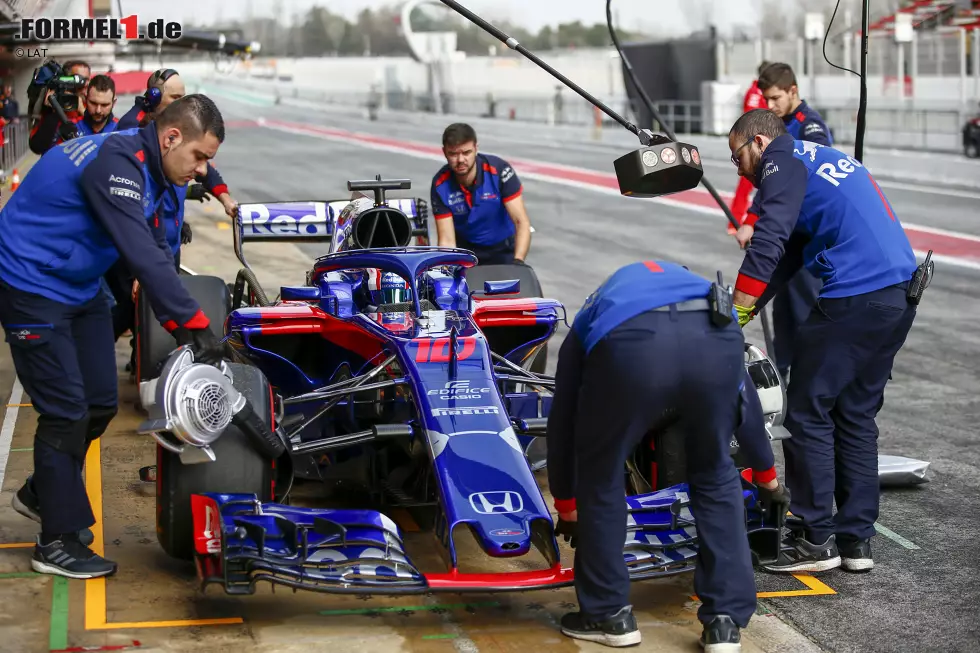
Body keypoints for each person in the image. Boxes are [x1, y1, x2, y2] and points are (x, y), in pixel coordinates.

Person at [0, 95, 229, 579]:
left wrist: (176, 326)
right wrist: (195, 326)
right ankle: (55, 544)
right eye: (200, 157)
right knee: (64, 412)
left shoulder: (157, 169)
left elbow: (156, 256)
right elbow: (139, 253)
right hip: (31, 285)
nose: (205, 170)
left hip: (78, 287)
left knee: (101, 403)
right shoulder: (118, 163)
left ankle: (42, 493)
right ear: (171, 137)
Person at [546, 259, 789, 650]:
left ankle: (609, 616)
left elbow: (564, 421)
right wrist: (767, 477)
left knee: (602, 472)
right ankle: (725, 623)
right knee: (715, 473)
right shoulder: (699, 291)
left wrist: (568, 503)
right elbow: (747, 406)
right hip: (717, 340)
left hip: (632, 346)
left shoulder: (598, 305)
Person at [728, 109, 919, 574]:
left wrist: (732, 312)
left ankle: (814, 538)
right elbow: (790, 251)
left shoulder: (780, 159)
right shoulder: (818, 157)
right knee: (854, 413)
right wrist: (749, 308)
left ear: (758, 142)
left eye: (737, 157)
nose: (738, 169)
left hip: (855, 296)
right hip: (897, 297)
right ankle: (855, 541)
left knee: (807, 411)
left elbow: (770, 237)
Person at [736, 62, 834, 380]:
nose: (770, 105)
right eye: (766, 99)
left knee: (804, 314)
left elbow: (794, 186)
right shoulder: (774, 123)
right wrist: (751, 218)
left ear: (793, 91)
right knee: (783, 316)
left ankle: (804, 380)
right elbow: (770, 186)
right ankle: (782, 378)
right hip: (787, 237)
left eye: (776, 98)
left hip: (805, 240)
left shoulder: (810, 126)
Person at [430, 123, 532, 265]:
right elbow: (447, 240)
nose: (460, 160)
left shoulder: (500, 170)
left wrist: (518, 261)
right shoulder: (440, 185)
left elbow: (521, 222)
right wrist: (448, 273)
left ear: (476, 149)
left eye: (466, 152)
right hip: (466, 253)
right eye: (453, 154)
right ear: (444, 152)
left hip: (503, 250)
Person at [728, 60, 770, 231]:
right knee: (746, 184)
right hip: (753, 144)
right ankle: (735, 222)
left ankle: (741, 222)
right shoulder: (755, 93)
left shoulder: (760, 91)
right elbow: (750, 118)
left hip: (763, 143)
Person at [28, 60, 90, 154]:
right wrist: (55, 110)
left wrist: (82, 111)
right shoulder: (53, 106)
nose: (84, 83)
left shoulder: (95, 105)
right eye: (78, 78)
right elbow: (37, 147)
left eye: (86, 79)